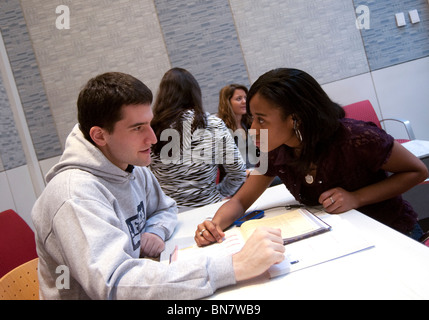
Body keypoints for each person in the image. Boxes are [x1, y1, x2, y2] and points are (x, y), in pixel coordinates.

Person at [31, 72, 285, 300]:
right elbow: (115, 284)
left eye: (149, 124)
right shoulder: (75, 196)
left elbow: (165, 207)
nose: (153, 138)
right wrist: (234, 266)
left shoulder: (130, 166)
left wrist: (154, 230)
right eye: (138, 128)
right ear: (100, 135)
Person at [195, 68, 429, 246]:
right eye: (252, 118)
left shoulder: (355, 138)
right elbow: (239, 201)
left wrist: (356, 198)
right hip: (343, 241)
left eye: (261, 119)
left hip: (393, 236)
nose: (253, 128)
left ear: (295, 119)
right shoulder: (276, 149)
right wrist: (213, 226)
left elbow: (417, 171)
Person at [150, 68, 246, 210]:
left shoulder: (152, 128)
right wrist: (218, 193)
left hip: (170, 215)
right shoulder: (213, 124)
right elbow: (238, 172)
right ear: (195, 93)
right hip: (210, 209)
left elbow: (144, 178)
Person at [217, 84, 258, 169]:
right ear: (227, 102)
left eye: (246, 98)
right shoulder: (221, 129)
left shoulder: (249, 123)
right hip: (239, 175)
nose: (244, 101)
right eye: (239, 99)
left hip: (257, 170)